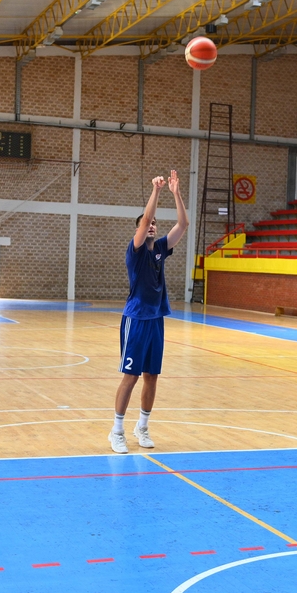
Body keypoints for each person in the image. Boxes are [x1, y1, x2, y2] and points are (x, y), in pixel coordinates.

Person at [110, 170, 188, 454]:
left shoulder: (161, 249)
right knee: (130, 376)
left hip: (156, 319)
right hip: (136, 318)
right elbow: (143, 220)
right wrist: (156, 190)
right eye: (148, 223)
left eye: (155, 223)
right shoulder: (135, 250)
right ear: (140, 230)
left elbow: (183, 223)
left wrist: (176, 193)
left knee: (151, 376)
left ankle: (141, 427)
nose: (152, 225)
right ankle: (116, 430)